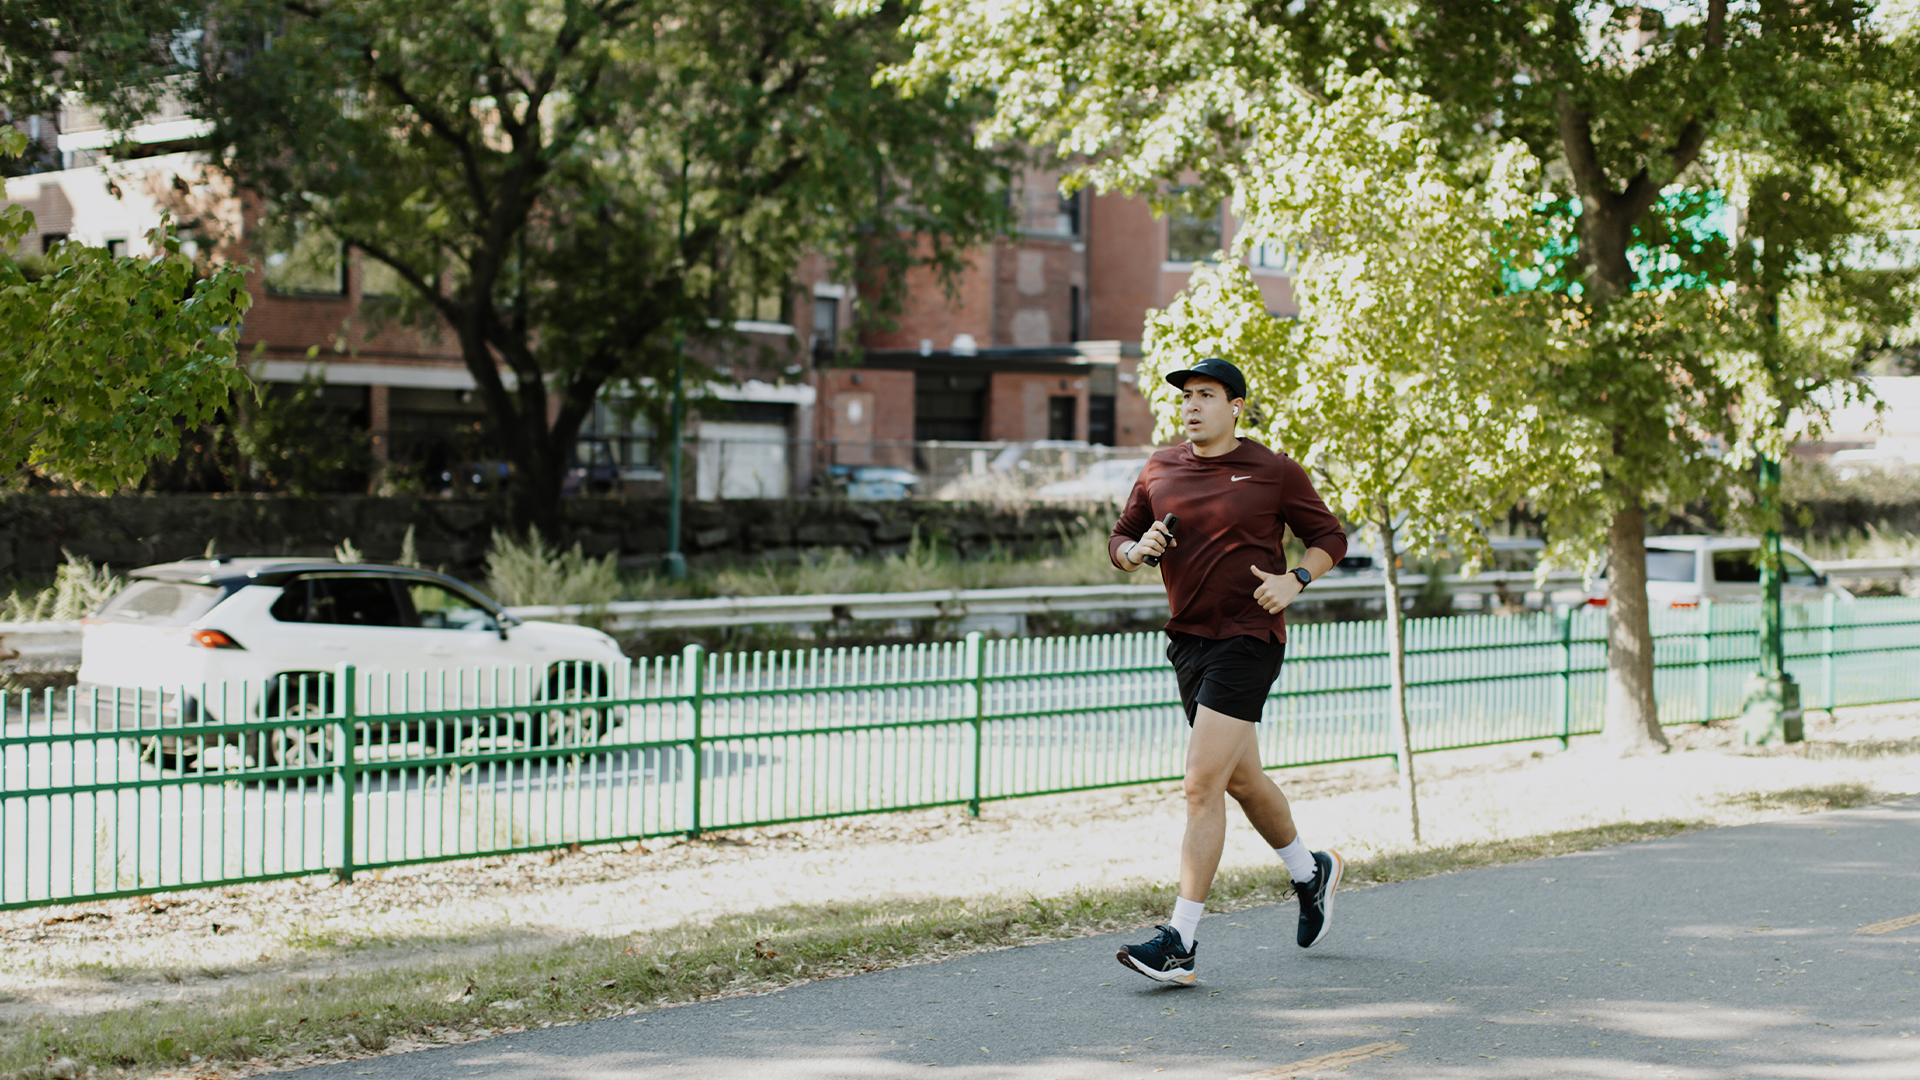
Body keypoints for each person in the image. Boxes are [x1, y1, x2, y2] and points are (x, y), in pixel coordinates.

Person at [1108, 356, 1349, 985]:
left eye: (1206, 395)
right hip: (1189, 641)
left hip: (1248, 638)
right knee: (1242, 780)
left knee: (1199, 783)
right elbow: (1121, 537)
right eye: (1186, 395)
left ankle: (1180, 941)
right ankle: (1310, 872)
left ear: (1235, 405)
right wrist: (1137, 552)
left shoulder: (1272, 470)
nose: (1191, 405)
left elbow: (1330, 537)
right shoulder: (1160, 467)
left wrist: (1296, 579)